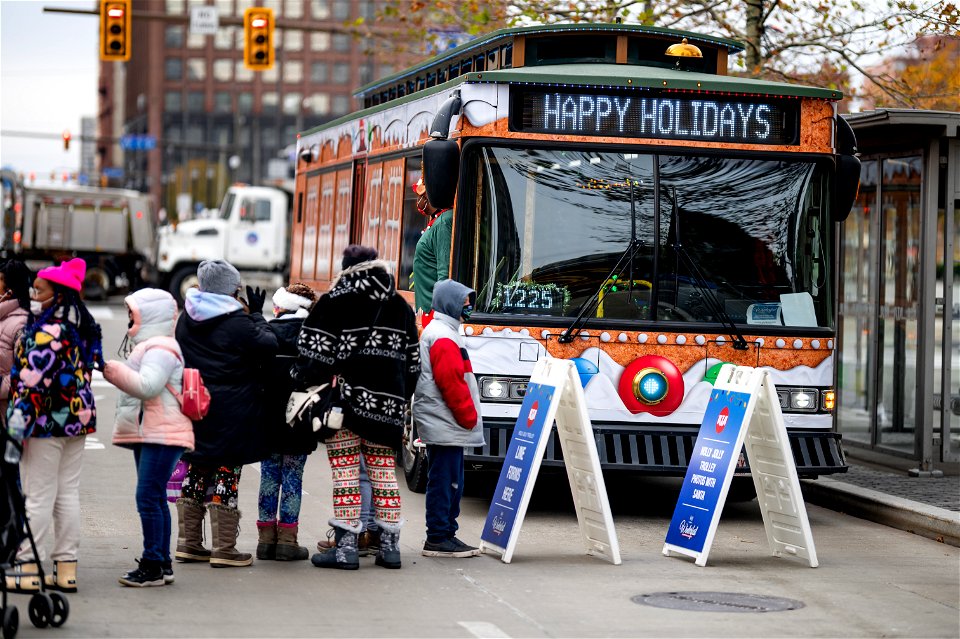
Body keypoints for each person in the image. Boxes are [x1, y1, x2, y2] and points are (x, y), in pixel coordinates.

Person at [294, 245, 419, 570]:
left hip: (344, 407)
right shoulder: (400, 306)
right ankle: (390, 549)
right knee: (384, 476)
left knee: (346, 474)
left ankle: (346, 548)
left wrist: (304, 379)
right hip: (387, 411)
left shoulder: (335, 302)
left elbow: (311, 352)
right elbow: (414, 365)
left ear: (346, 268)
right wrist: (398, 399)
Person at [5, 258, 103, 592]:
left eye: (39, 289)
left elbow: (30, 387)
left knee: (37, 495)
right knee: (67, 493)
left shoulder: (44, 334)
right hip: (77, 422)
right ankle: (66, 569)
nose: (33, 293)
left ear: (57, 295)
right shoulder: (80, 330)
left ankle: (28, 567)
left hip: (44, 425)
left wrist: (14, 433)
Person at [174, 259, 278, 568]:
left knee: (197, 468)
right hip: (233, 410)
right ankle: (224, 548)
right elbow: (268, 345)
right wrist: (258, 315)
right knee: (227, 473)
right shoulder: (237, 322)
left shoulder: (186, 319)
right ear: (229, 291)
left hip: (197, 406)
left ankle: (188, 543)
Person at [103, 288, 194, 587]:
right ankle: (162, 563)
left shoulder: (160, 348)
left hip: (162, 433)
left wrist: (111, 370)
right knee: (154, 497)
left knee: (147, 497)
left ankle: (153, 564)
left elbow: (148, 386)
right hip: (152, 430)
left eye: (134, 311)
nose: (130, 317)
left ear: (148, 315)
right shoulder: (152, 345)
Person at [415, 279, 484, 558]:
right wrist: (468, 417)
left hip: (443, 420)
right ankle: (439, 537)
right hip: (445, 420)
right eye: (464, 301)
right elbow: (452, 383)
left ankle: (444, 534)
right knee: (446, 481)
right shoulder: (444, 336)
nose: (468, 306)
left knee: (448, 479)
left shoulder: (443, 331)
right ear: (450, 304)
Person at [256, 283, 318, 562]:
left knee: (269, 477)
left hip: (268, 419)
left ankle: (265, 540)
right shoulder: (313, 338)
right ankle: (287, 542)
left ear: (282, 307)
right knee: (293, 478)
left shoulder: (267, 332)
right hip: (300, 420)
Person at [411, 175, 453, 315]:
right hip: (429, 311)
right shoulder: (439, 220)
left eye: (423, 195)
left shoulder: (443, 222)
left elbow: (444, 271)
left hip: (435, 313)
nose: (420, 200)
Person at [0, 259, 33, 419]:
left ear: (10, 290)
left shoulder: (22, 322)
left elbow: (25, 370)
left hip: (8, 412)